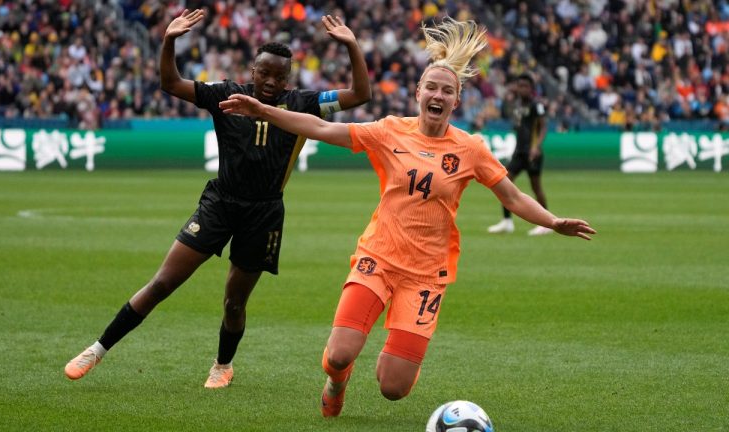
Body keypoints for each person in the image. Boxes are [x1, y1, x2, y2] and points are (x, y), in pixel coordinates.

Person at [218, 17, 596, 417]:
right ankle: (336, 381)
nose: (437, 94)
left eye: (446, 90)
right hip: (377, 258)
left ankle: (395, 355)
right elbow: (319, 127)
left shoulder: (470, 149)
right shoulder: (389, 132)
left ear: (457, 99)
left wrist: (552, 222)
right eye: (431, 87)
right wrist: (265, 111)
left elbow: (513, 195)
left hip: (426, 274)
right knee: (340, 354)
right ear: (418, 92)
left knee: (393, 388)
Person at [64, 9, 371, 388]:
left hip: (264, 214)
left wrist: (352, 46)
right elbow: (171, 83)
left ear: (288, 78)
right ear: (252, 70)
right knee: (163, 283)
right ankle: (97, 349)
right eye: (264, 72)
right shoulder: (226, 93)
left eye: (279, 75)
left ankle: (223, 365)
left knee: (234, 303)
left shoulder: (303, 102)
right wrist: (169, 41)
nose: (271, 81)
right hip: (220, 204)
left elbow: (360, 94)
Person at [487, 73, 552, 235]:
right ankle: (507, 221)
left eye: (525, 86)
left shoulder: (536, 105)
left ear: (531, 88)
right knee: (504, 183)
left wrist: (536, 146)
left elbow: (543, 127)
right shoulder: (516, 105)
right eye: (520, 85)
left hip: (532, 153)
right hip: (519, 152)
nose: (522, 89)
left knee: (536, 187)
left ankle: (546, 224)